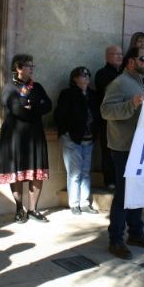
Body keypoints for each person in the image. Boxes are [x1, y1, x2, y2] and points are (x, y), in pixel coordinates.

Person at [101, 47, 144, 259]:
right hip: (124, 147)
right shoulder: (118, 83)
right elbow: (106, 111)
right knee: (124, 194)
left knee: (138, 192)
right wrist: (131, 105)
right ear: (131, 61)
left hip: (143, 146)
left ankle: (135, 232)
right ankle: (115, 239)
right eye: (143, 59)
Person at [0, 54, 52, 224]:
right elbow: (17, 110)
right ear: (18, 68)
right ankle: (19, 208)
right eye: (28, 66)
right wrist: (34, 109)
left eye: (32, 66)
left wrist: (31, 107)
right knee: (17, 173)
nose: (31, 69)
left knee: (36, 172)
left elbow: (48, 105)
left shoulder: (37, 87)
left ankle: (33, 209)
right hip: (15, 136)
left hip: (35, 135)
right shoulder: (9, 88)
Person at [54, 67, 99, 215]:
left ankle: (84, 203)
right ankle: (74, 203)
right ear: (74, 78)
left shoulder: (93, 94)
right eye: (82, 74)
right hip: (72, 138)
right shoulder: (67, 94)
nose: (86, 77)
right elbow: (60, 115)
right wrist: (66, 132)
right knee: (74, 172)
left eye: (87, 74)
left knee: (85, 171)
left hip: (89, 138)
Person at [95, 46, 123, 191]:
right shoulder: (102, 73)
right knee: (108, 151)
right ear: (107, 56)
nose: (119, 56)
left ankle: (121, 181)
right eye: (115, 54)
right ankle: (110, 181)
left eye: (121, 54)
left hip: (124, 119)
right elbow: (110, 92)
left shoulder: (124, 73)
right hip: (108, 119)